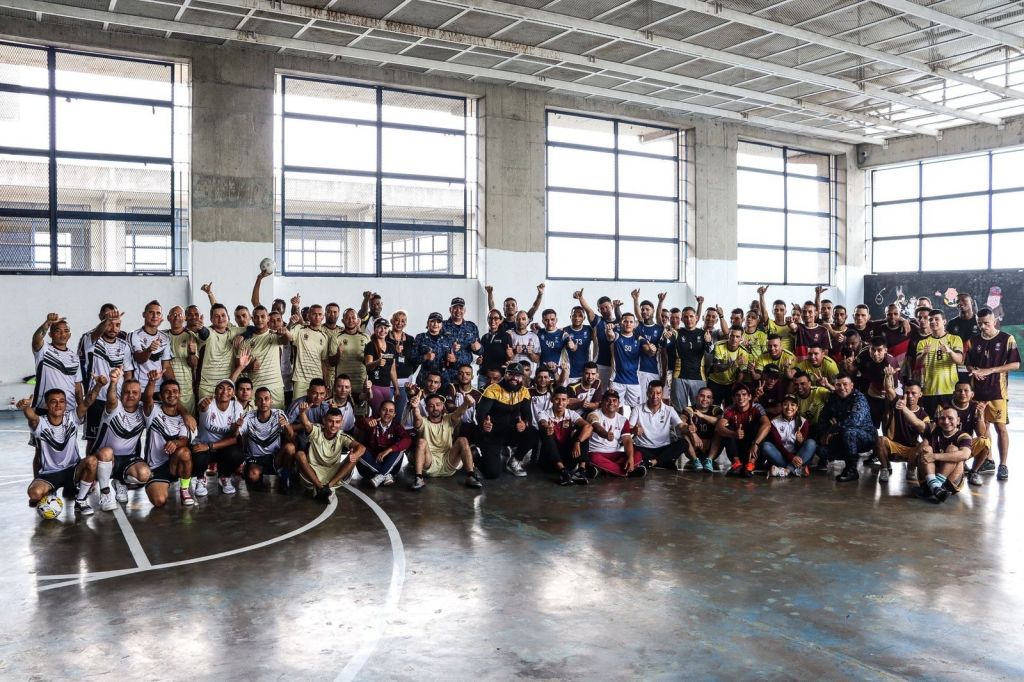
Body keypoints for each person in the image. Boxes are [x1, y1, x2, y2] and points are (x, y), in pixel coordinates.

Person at [18, 379, 105, 516]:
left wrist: (99, 385)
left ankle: (81, 500)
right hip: (49, 473)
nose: (58, 405)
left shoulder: (72, 418)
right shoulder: (41, 423)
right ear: (47, 405)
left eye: (62, 401)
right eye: (53, 401)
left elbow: (87, 401)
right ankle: (51, 491)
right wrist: (25, 407)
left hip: (73, 469)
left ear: (65, 403)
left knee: (92, 461)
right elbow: (32, 417)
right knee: (34, 494)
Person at [964, 307, 1020, 481]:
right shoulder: (973, 341)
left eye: (986, 323)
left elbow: (1015, 364)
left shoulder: (1006, 339)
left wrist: (990, 371)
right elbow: (969, 364)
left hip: (997, 392)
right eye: (980, 324)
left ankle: (1003, 465)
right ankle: (988, 460)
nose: (983, 327)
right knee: (983, 428)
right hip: (978, 393)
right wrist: (975, 371)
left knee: (1000, 428)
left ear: (994, 321)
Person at [141, 373, 198, 507]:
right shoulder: (153, 411)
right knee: (159, 501)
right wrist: (152, 381)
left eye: (175, 391)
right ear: (160, 396)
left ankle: (184, 489)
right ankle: (160, 483)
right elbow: (147, 398)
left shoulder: (183, 418)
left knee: (184, 452)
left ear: (179, 394)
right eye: (167, 392)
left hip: (175, 464)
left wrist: (175, 443)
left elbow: (184, 440)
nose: (171, 394)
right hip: (156, 466)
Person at [81, 310, 135, 449]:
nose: (113, 328)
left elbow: (128, 374)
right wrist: (106, 321)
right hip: (96, 400)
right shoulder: (91, 340)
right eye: (110, 324)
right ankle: (91, 468)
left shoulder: (124, 345)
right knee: (93, 440)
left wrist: (126, 396)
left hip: (117, 401)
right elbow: (95, 334)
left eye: (117, 325)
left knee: (117, 437)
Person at [409, 391, 483, 490]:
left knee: (463, 440)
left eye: (438, 405)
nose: (435, 408)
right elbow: (417, 418)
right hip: (430, 464)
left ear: (442, 406)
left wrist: (466, 403)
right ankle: (418, 478)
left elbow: (459, 412)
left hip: (449, 462)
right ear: (426, 409)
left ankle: (470, 475)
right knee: (421, 442)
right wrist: (415, 407)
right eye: (431, 406)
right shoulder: (423, 421)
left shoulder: (448, 419)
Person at [475, 364, 537, 478]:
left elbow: (528, 416)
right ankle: (474, 455)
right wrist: (484, 423)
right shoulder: (492, 389)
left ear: (522, 377)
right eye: (511, 374)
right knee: (492, 474)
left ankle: (514, 461)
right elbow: (480, 414)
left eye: (518, 375)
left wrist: (524, 423)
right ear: (505, 375)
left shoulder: (524, 391)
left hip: (511, 432)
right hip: (493, 434)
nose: (514, 378)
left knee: (532, 432)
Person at [295, 405, 365, 502]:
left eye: (337, 422)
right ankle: (320, 487)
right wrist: (302, 412)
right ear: (324, 421)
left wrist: (355, 455)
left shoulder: (342, 436)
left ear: (341, 423)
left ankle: (327, 487)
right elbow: (306, 424)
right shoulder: (316, 430)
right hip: (313, 472)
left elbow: (361, 448)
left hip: (334, 473)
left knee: (353, 458)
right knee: (300, 455)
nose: (333, 425)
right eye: (330, 421)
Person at [817, 374, 874, 483]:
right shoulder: (833, 398)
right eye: (838, 385)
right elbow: (823, 418)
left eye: (845, 384)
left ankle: (852, 470)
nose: (842, 388)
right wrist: (825, 433)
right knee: (821, 450)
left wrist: (834, 429)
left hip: (865, 437)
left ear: (852, 385)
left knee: (848, 432)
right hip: (842, 435)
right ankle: (841, 456)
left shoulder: (859, 398)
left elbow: (854, 421)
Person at [238, 386, 296, 492]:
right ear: (255, 402)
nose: (263, 402)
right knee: (253, 477)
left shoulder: (279, 414)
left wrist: (286, 425)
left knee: (290, 448)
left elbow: (292, 438)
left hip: (275, 458)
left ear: (271, 401)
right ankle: (256, 476)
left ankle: (284, 477)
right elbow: (237, 435)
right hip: (255, 458)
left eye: (266, 399)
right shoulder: (248, 416)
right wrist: (236, 426)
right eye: (259, 399)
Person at [196, 379, 246, 494]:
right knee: (197, 454)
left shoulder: (236, 406)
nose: (225, 391)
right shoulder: (207, 402)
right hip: (204, 445)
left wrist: (236, 427)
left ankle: (225, 476)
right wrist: (203, 407)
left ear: (233, 393)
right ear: (215, 391)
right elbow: (202, 407)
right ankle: (200, 479)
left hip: (222, 448)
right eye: (221, 388)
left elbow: (234, 437)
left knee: (237, 454)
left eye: (229, 389)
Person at [914, 406, 973, 503]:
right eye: (942, 418)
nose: (946, 421)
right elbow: (920, 451)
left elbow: (965, 454)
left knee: (953, 449)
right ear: (938, 420)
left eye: (950, 418)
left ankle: (935, 485)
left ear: (958, 420)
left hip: (950, 481)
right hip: (930, 474)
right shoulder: (934, 432)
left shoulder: (964, 436)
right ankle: (935, 488)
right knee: (926, 449)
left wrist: (934, 456)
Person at [536, 386, 593, 485]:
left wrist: (577, 441)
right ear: (552, 400)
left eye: (563, 400)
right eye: (557, 399)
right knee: (547, 433)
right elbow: (542, 422)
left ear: (568, 401)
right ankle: (563, 472)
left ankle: (581, 471)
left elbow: (589, 427)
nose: (560, 403)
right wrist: (547, 427)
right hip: (549, 461)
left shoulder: (571, 414)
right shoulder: (544, 413)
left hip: (568, 459)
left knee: (583, 432)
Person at [875, 380, 929, 483]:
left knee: (925, 445)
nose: (909, 396)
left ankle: (911, 469)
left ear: (920, 394)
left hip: (911, 449)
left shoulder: (924, 415)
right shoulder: (897, 403)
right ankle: (885, 468)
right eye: (907, 392)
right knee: (880, 440)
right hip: (894, 445)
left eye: (913, 393)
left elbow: (925, 433)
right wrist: (887, 376)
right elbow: (889, 389)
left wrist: (904, 409)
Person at [32, 313, 84, 416]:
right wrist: (47, 323)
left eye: (66, 331)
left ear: (69, 334)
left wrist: (81, 408)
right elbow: (36, 339)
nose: (62, 334)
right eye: (58, 331)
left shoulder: (74, 357)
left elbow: (77, 387)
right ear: (50, 334)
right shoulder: (44, 350)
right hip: (44, 408)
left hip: (69, 410)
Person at [629, 380, 687, 470]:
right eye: (652, 393)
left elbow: (681, 426)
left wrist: (689, 428)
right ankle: (663, 461)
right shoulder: (637, 409)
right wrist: (634, 431)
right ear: (647, 393)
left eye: (658, 393)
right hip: (644, 448)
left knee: (683, 444)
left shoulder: (669, 410)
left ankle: (653, 462)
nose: (655, 396)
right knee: (629, 447)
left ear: (662, 394)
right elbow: (629, 429)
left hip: (663, 448)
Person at [586, 390, 645, 478]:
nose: (611, 403)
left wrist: (630, 458)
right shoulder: (593, 414)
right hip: (597, 452)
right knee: (593, 458)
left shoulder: (623, 420)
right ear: (602, 402)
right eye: (608, 400)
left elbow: (627, 440)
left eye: (614, 400)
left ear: (618, 403)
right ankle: (626, 472)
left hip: (614, 454)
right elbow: (597, 427)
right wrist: (606, 434)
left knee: (638, 454)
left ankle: (606, 471)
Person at [354, 400, 412, 487]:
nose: (387, 413)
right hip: (371, 465)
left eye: (391, 411)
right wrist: (366, 420)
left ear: (394, 415)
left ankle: (380, 475)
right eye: (384, 409)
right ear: (379, 411)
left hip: (390, 463)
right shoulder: (372, 421)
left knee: (400, 447)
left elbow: (408, 440)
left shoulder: (396, 426)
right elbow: (358, 423)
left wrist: (389, 449)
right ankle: (385, 475)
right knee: (358, 449)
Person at [916, 309, 963, 415]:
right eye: (930, 320)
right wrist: (924, 354)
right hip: (929, 390)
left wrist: (949, 351)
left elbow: (960, 360)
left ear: (944, 321)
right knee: (931, 423)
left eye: (937, 319)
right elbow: (918, 363)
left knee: (950, 421)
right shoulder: (923, 342)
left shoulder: (955, 339)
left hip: (950, 390)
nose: (933, 322)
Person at [196, 301, 246, 400]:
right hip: (207, 388)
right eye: (217, 316)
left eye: (223, 315)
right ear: (211, 319)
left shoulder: (233, 332)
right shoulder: (209, 332)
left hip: (227, 387)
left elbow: (251, 329)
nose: (220, 318)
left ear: (228, 317)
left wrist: (242, 336)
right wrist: (201, 328)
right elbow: (204, 333)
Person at [716, 384, 768, 477]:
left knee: (761, 428)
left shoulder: (757, 407)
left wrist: (756, 443)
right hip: (737, 450)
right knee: (726, 429)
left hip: (754, 451)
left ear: (749, 397)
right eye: (737, 395)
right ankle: (737, 464)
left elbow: (767, 424)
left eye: (744, 394)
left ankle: (750, 465)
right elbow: (719, 427)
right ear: (733, 398)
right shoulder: (729, 409)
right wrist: (733, 434)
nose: (741, 398)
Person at [946, 381, 991, 487]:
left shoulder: (975, 408)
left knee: (985, 441)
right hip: (948, 447)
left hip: (966, 447)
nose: (962, 393)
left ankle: (973, 472)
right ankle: (958, 465)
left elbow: (981, 433)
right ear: (954, 393)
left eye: (966, 391)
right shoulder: (946, 406)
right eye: (959, 391)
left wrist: (980, 417)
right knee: (952, 480)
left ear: (972, 394)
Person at [758, 394, 815, 477]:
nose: (789, 408)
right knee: (765, 446)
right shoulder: (774, 422)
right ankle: (797, 470)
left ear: (797, 407)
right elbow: (779, 445)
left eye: (792, 405)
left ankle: (786, 470)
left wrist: (801, 441)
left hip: (798, 456)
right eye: (785, 404)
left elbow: (802, 448)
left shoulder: (803, 422)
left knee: (811, 443)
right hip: (782, 455)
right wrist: (791, 458)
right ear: (781, 406)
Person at [669, 305, 713, 412]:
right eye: (686, 317)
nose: (689, 319)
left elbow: (710, 351)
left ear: (696, 317)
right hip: (680, 376)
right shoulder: (676, 333)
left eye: (691, 316)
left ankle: (698, 428)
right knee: (679, 411)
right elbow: (665, 349)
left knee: (700, 409)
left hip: (698, 377)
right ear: (682, 319)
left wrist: (708, 342)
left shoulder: (703, 334)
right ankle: (680, 429)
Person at [606, 312, 653, 409]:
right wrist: (609, 329)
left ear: (635, 324)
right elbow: (610, 335)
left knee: (636, 409)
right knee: (614, 408)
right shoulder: (617, 336)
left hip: (634, 381)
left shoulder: (639, 339)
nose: (628, 324)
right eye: (625, 321)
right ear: (620, 323)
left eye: (631, 322)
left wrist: (652, 350)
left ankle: (632, 425)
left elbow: (649, 352)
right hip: (616, 381)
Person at [574, 288, 619, 388]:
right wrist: (581, 298)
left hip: (616, 366)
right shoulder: (598, 321)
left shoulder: (620, 323)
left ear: (612, 306)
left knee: (611, 396)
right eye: (601, 308)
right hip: (600, 365)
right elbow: (588, 310)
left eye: (607, 307)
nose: (604, 310)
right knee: (597, 394)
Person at [287, 296, 330, 399]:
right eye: (314, 314)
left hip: (317, 379)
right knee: (297, 408)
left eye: (320, 314)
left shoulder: (324, 337)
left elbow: (324, 362)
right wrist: (287, 326)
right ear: (309, 316)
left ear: (323, 317)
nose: (317, 317)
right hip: (300, 379)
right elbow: (288, 335)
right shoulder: (300, 329)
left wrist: (326, 383)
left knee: (314, 410)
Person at [129, 301, 175, 395]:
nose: (155, 316)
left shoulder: (165, 337)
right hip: (140, 388)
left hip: (159, 389)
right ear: (144, 314)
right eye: (151, 312)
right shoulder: (134, 335)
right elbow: (139, 358)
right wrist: (149, 350)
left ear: (161, 316)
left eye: (158, 313)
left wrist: (174, 385)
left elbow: (166, 366)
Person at [165, 306, 200, 416]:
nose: (176, 317)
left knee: (189, 422)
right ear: (168, 318)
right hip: (166, 386)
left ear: (184, 318)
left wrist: (192, 353)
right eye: (173, 315)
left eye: (179, 315)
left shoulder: (190, 336)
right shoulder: (163, 336)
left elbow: (194, 364)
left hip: (186, 388)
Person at [632, 289, 666, 397]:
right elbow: (637, 315)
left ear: (653, 310)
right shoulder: (638, 328)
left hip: (655, 371)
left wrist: (660, 302)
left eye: (647, 309)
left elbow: (659, 318)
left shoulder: (659, 329)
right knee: (639, 401)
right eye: (643, 310)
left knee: (655, 400)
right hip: (640, 371)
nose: (644, 311)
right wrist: (636, 300)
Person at [328, 308, 370, 392]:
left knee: (360, 404)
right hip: (343, 385)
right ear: (343, 320)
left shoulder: (365, 337)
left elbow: (370, 362)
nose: (350, 320)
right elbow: (332, 363)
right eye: (347, 318)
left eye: (353, 318)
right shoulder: (336, 337)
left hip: (361, 382)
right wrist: (338, 354)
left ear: (357, 320)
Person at [706, 326, 750, 406]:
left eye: (737, 337)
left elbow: (741, 373)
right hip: (715, 382)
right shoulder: (719, 345)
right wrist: (734, 363)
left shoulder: (744, 352)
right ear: (728, 335)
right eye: (732, 336)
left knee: (730, 409)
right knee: (712, 408)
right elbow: (716, 368)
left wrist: (736, 386)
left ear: (741, 338)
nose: (734, 339)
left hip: (730, 383)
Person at [364, 318, 399, 414]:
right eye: (380, 327)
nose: (383, 330)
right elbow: (368, 366)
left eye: (385, 328)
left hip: (387, 387)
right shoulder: (370, 345)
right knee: (380, 413)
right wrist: (377, 362)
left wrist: (396, 388)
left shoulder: (391, 347)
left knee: (386, 415)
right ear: (375, 329)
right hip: (374, 386)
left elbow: (392, 370)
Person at [683, 386, 723, 471]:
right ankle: (695, 460)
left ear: (712, 400)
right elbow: (681, 422)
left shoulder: (716, 409)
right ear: (696, 397)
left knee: (720, 430)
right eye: (702, 396)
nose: (705, 399)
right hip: (694, 447)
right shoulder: (689, 409)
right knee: (684, 433)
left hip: (711, 449)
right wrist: (693, 434)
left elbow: (720, 422)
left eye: (708, 397)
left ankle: (709, 460)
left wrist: (702, 416)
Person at [416, 312, 457, 388]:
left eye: (438, 322)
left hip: (443, 378)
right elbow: (412, 359)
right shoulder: (420, 337)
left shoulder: (448, 339)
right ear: (428, 323)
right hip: (425, 377)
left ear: (441, 325)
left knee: (443, 399)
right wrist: (425, 357)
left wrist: (453, 360)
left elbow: (453, 363)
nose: (435, 324)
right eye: (432, 321)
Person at [444, 296, 481, 376]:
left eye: (461, 308)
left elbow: (480, 351)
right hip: (447, 372)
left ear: (464, 310)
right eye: (455, 308)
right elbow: (435, 346)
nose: (458, 311)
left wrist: (478, 348)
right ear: (450, 310)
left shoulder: (471, 326)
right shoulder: (442, 326)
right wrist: (450, 348)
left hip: (465, 373)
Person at [562, 305, 594, 384]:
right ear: (570, 317)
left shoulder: (589, 329)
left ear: (584, 318)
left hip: (585, 373)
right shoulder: (564, 330)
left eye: (580, 316)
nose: (577, 318)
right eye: (574, 316)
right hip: (569, 373)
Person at [758, 286, 794, 352]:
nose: (778, 312)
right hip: (772, 356)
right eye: (776, 310)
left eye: (781, 310)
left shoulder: (790, 325)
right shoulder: (770, 323)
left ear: (785, 311)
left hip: (787, 359)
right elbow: (763, 312)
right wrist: (761, 295)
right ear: (772, 311)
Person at [507, 310, 541, 375]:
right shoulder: (509, 334)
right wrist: (515, 352)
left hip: (529, 374)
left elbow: (537, 360)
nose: (520, 321)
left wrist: (531, 353)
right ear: (515, 320)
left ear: (528, 321)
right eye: (518, 319)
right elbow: (506, 359)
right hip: (513, 374)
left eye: (523, 319)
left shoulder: (534, 336)